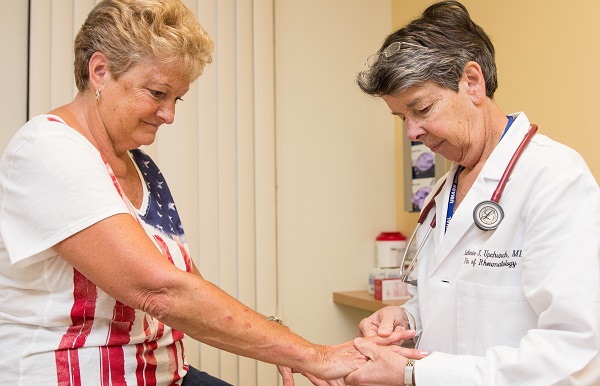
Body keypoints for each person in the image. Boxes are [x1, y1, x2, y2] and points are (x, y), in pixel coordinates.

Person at [0, 1, 425, 385]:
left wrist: (283, 341)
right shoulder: (49, 151)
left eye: (177, 99)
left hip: (163, 373)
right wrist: (313, 355)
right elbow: (162, 292)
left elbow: (190, 285)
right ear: (99, 71)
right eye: (158, 93)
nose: (168, 115)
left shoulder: (138, 165)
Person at [303, 1, 600, 385]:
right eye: (402, 119)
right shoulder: (445, 189)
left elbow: (576, 354)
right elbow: (455, 303)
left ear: (472, 82)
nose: (412, 132)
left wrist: (414, 373)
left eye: (422, 109)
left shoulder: (554, 178)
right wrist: (406, 317)